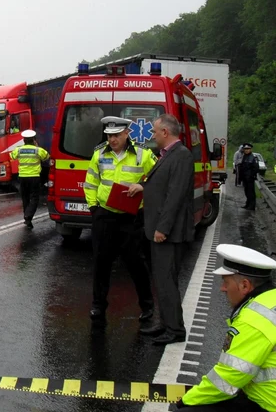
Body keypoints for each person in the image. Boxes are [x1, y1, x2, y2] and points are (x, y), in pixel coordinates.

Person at [171, 244, 276, 411]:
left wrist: (186, 401)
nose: (222, 288)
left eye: (226, 282)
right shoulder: (271, 300)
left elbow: (229, 378)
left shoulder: (254, 319)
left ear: (245, 286)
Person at [127, 114, 195, 345]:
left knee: (167, 281)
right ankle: (165, 323)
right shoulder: (168, 155)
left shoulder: (181, 156)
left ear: (165, 132)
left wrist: (162, 228)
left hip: (168, 232)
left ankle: (175, 330)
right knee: (162, 281)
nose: (153, 136)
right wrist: (142, 186)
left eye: (155, 132)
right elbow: (161, 184)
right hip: (159, 229)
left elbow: (174, 196)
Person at [83, 116, 156, 325]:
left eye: (116, 136)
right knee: (101, 262)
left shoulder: (143, 155)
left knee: (136, 263)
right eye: (109, 136)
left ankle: (147, 306)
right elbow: (91, 183)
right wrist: (93, 208)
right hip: (104, 215)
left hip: (131, 218)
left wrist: (144, 187)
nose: (112, 140)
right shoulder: (99, 154)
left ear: (126, 134)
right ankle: (98, 306)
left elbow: (158, 177)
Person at [10, 129, 49, 228]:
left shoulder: (19, 149)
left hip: (23, 177)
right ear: (34, 140)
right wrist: (36, 146)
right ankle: (28, 216)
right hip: (34, 177)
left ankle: (27, 219)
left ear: (24, 140)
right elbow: (46, 157)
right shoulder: (38, 150)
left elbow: (12, 156)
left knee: (25, 198)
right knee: (34, 198)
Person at [240, 144, 259, 211]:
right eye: (245, 149)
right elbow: (242, 167)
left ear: (250, 149)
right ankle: (247, 204)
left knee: (251, 192)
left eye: (248, 149)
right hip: (245, 178)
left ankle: (252, 206)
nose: (246, 150)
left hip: (250, 178)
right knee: (246, 191)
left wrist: (251, 175)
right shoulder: (244, 156)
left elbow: (256, 168)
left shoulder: (253, 157)